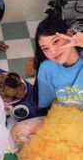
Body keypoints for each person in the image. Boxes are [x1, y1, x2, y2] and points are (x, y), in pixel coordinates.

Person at [11, 17, 83, 145]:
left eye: (56, 42)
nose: (53, 52)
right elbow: (46, 104)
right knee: (18, 132)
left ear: (69, 35)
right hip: (65, 119)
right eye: (45, 49)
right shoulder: (47, 68)